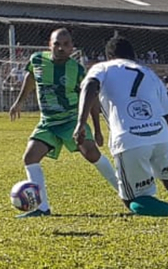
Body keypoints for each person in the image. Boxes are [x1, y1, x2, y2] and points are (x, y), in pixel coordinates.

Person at [74, 35, 168, 244]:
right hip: (160, 134)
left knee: (132, 200)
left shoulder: (102, 68)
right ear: (133, 56)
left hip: (129, 138)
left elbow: (90, 87)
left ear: (110, 55)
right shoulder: (149, 73)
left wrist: (80, 123)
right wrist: (163, 143)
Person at [9, 28, 119, 217]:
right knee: (30, 157)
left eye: (66, 44)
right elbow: (31, 77)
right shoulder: (37, 60)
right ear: (49, 45)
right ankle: (42, 207)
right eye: (57, 44)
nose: (61, 48)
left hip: (71, 121)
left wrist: (98, 129)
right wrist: (19, 102)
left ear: (72, 48)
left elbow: (91, 99)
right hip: (48, 123)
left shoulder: (76, 70)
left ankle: (128, 194)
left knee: (92, 154)